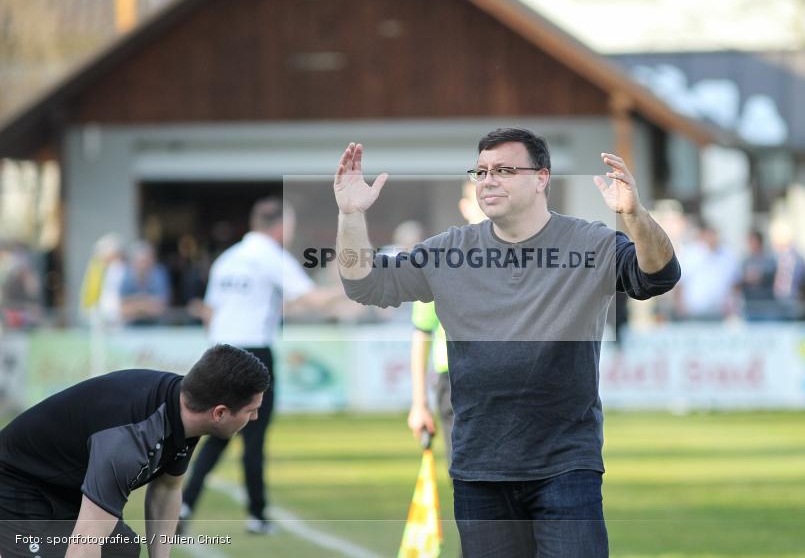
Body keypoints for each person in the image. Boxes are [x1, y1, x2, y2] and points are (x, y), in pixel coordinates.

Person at [334, 128, 680, 557]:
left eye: (503, 170)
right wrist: (350, 216)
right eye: (480, 172)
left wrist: (635, 214)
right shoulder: (448, 252)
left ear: (541, 178)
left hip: (566, 466)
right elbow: (365, 285)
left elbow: (659, 276)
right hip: (480, 469)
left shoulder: (588, 244)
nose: (488, 180)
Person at [0, 344, 270, 558]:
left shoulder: (188, 406)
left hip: (62, 488)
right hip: (14, 483)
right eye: (251, 410)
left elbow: (167, 490)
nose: (256, 417)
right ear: (220, 413)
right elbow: (84, 546)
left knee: (120, 550)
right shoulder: (129, 440)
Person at [178, 197, 340, 535]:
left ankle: (186, 503)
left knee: (215, 435)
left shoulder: (228, 258)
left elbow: (211, 311)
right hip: (252, 353)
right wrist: (355, 284)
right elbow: (311, 298)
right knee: (253, 438)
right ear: (280, 226)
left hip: (218, 352)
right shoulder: (270, 256)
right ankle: (257, 515)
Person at [407, 182, 486, 467]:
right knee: (465, 473)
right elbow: (422, 333)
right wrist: (419, 403)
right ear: (464, 207)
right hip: (454, 378)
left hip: (511, 380)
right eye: (479, 198)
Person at [119, 240, 171, 326]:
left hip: (157, 326)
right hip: (131, 328)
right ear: (133, 263)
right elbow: (122, 310)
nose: (144, 265)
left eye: (146, 261)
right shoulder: (126, 276)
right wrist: (147, 304)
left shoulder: (159, 275)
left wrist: (135, 303)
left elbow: (160, 308)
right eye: (140, 262)